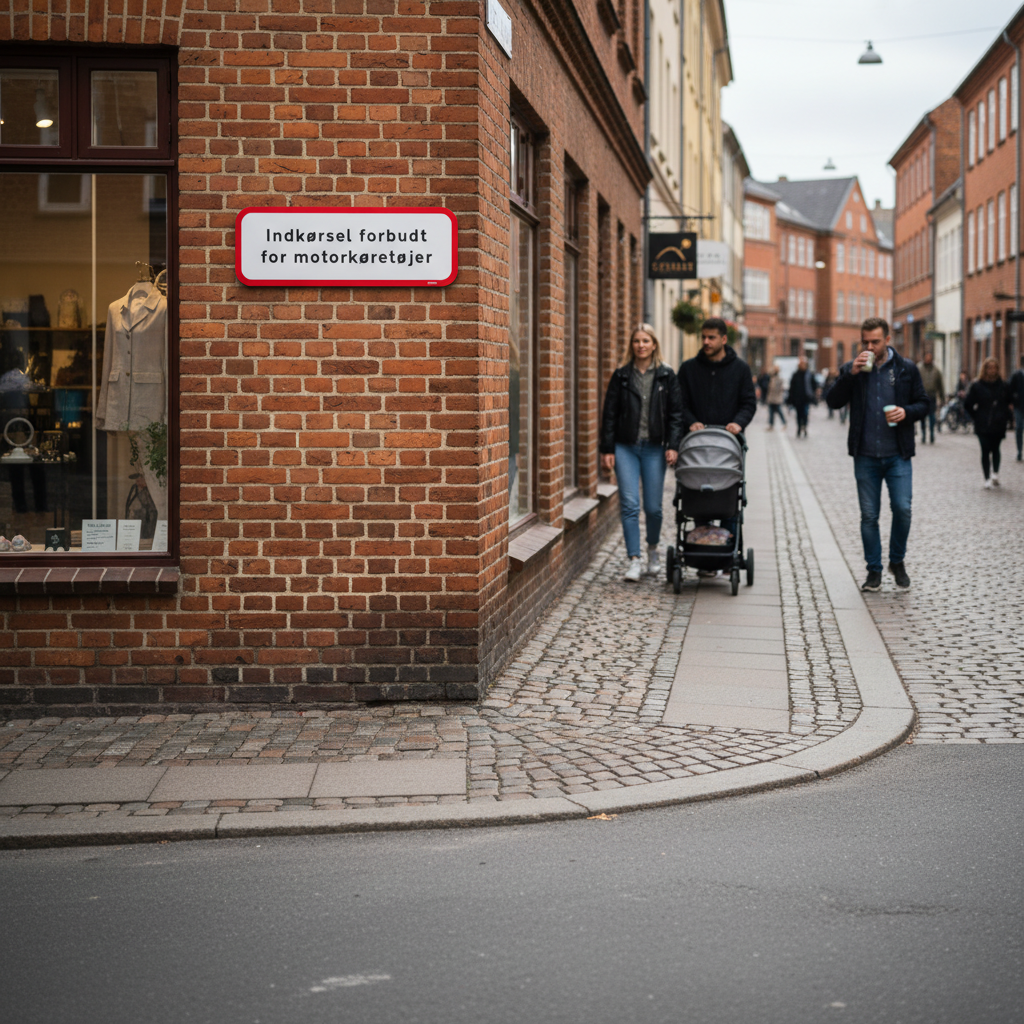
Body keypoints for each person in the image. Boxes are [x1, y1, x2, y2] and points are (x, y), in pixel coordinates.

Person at [825, 317, 928, 592]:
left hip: (898, 454)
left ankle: (897, 561)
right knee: (869, 516)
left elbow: (924, 403)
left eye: (875, 342)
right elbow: (832, 401)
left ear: (888, 340)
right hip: (866, 454)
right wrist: (850, 374)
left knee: (903, 509)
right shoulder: (853, 369)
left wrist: (906, 412)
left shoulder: (906, 368)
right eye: (865, 342)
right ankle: (874, 571)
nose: (869, 347)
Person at [600, 323, 684, 581]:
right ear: (632, 345)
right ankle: (634, 560)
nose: (641, 345)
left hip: (654, 448)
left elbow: (676, 414)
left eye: (646, 341)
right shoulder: (622, 376)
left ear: (654, 344)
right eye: (637, 341)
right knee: (629, 504)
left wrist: (673, 445)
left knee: (653, 507)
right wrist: (607, 448)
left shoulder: (666, 375)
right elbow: (609, 414)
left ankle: (652, 549)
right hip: (625, 447)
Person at [677, 317, 757, 576]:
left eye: (711, 337)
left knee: (728, 499)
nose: (706, 341)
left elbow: (748, 402)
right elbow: (679, 403)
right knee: (699, 497)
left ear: (724, 339)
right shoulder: (689, 369)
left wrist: (738, 423)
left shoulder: (740, 369)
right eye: (703, 337)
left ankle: (727, 555)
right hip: (697, 447)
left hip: (728, 446)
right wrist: (691, 421)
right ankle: (705, 557)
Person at [964, 358, 1012, 488]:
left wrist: (1005, 416)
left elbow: (1008, 402)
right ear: (984, 369)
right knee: (985, 449)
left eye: (994, 367)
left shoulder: (1003, 385)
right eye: (989, 367)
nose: (992, 370)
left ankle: (995, 473)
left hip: (998, 423)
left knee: (996, 448)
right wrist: (976, 416)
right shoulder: (977, 386)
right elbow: (968, 403)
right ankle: (986, 477)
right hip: (982, 423)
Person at [916, 350, 945, 444]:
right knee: (922, 416)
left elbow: (940, 385)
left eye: (930, 357)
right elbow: (914, 382)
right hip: (921, 396)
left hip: (932, 397)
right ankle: (923, 434)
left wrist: (942, 398)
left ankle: (932, 433)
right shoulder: (919, 368)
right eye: (926, 357)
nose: (928, 359)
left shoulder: (936, 370)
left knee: (932, 416)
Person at [786, 354, 817, 438]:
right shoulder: (795, 375)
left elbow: (814, 385)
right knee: (799, 414)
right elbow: (792, 388)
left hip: (806, 398)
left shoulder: (809, 374)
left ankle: (805, 426)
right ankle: (799, 427)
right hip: (797, 399)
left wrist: (813, 394)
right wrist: (790, 399)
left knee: (805, 413)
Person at [1009, 355, 1024, 461]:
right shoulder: (1016, 375)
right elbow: (1010, 389)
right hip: (1019, 406)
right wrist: (1011, 402)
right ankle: (1019, 451)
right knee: (1019, 428)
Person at [765, 364, 787, 430]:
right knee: (771, 412)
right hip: (771, 398)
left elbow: (779, 389)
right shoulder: (771, 378)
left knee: (779, 412)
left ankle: (784, 423)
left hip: (777, 399)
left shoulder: (778, 379)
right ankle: (771, 425)